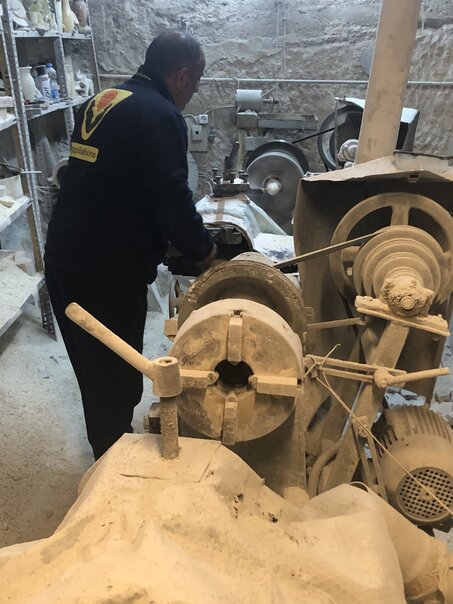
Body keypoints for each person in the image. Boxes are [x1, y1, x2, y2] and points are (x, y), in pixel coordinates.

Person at [44, 31, 216, 459]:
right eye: (196, 81)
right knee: (116, 378)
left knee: (94, 371)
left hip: (65, 256)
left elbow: (113, 182)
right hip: (105, 272)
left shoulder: (101, 101)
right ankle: (112, 467)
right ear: (181, 76)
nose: (195, 90)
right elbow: (171, 196)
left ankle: (108, 446)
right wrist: (204, 251)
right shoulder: (161, 115)